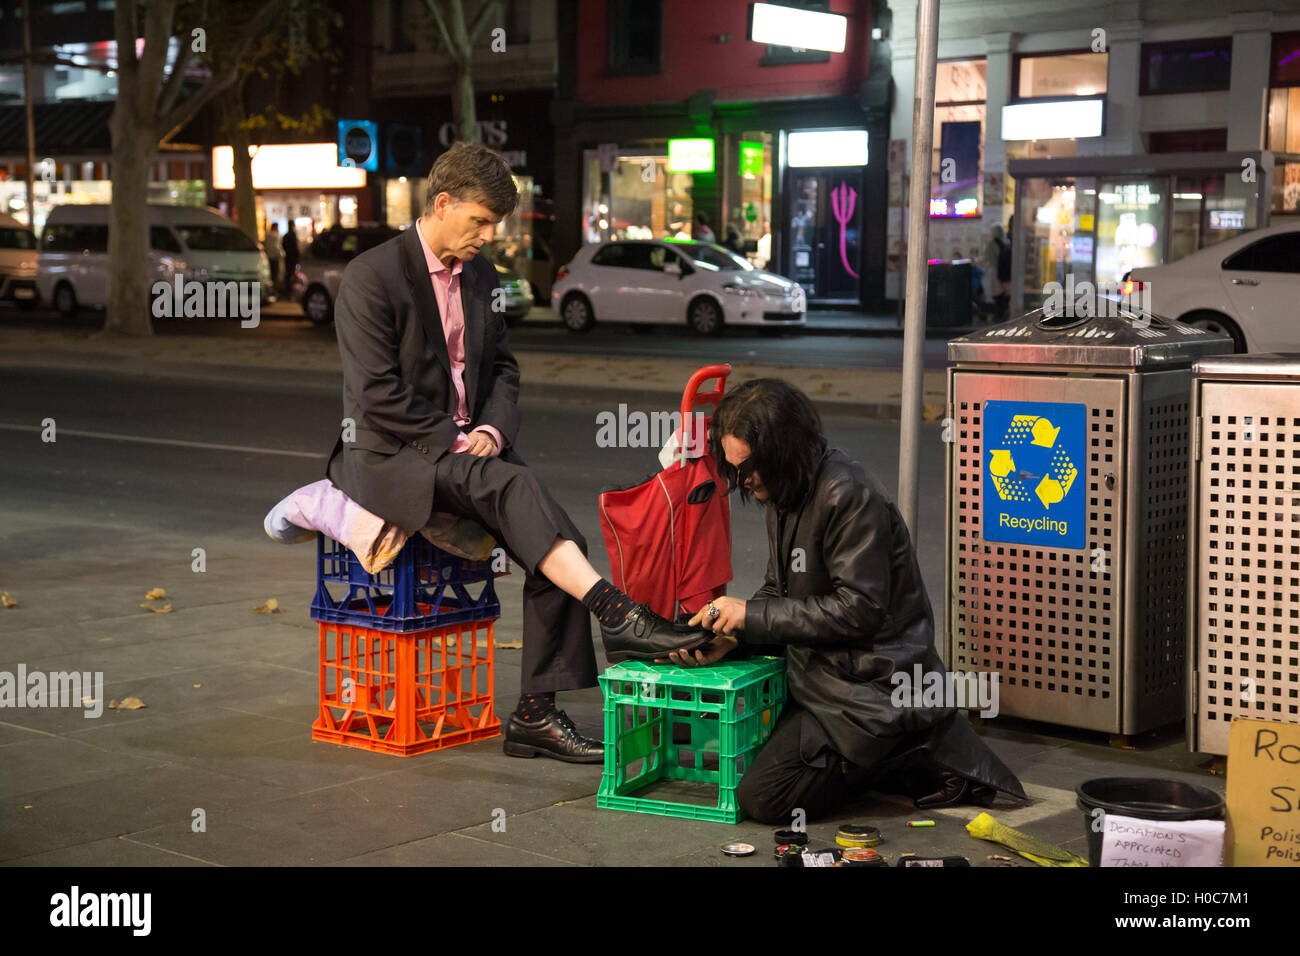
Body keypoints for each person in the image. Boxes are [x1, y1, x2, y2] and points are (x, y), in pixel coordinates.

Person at [323, 141, 714, 764]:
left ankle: (535, 714)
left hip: (469, 450)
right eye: (479, 221)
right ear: (442, 203)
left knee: (559, 542)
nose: (488, 236)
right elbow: (375, 396)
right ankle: (619, 614)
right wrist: (458, 439)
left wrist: (493, 434)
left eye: (494, 225)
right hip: (393, 453)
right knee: (517, 492)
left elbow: (503, 369)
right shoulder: (372, 276)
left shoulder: (481, 275)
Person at [668, 378, 1027, 824]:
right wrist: (736, 635)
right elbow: (779, 591)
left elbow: (858, 609)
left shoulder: (848, 494)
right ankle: (888, 752)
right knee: (761, 776)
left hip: (871, 687)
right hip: (824, 675)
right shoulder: (785, 490)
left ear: (784, 450)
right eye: (735, 469)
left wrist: (753, 615)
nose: (745, 480)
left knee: (765, 799)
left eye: (750, 468)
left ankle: (913, 745)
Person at [985, 223, 1010, 319]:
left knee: (997, 294)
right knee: (1005, 292)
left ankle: (999, 314)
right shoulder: (1007, 241)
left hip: (995, 270)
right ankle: (1004, 312)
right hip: (1006, 270)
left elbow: (988, 256)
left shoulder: (992, 243)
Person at [281, 221, 300, 299]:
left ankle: (288, 290)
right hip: (293, 257)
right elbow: (295, 247)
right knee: (292, 273)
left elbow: (283, 245)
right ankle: (291, 290)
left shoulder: (286, 236)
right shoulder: (293, 235)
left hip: (288, 257)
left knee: (288, 274)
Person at [263, 222, 283, 292]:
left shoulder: (267, 235)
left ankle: (270, 289)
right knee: (275, 274)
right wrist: (282, 254)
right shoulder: (276, 235)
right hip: (275, 257)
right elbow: (277, 247)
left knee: (270, 274)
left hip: (269, 257)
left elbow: (266, 246)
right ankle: (274, 290)